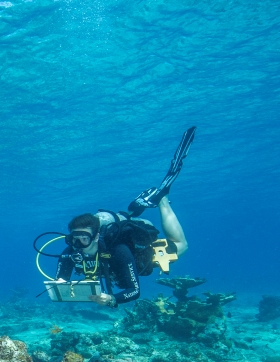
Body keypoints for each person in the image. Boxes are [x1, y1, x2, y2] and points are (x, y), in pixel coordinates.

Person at [54, 127, 195, 307]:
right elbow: (60, 281)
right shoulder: (70, 252)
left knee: (182, 245)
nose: (78, 244)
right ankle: (134, 209)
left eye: (84, 238)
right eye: (74, 238)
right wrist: (60, 284)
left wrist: (112, 299)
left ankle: (162, 200)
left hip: (143, 257)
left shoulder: (118, 250)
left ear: (96, 236)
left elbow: (134, 290)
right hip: (112, 267)